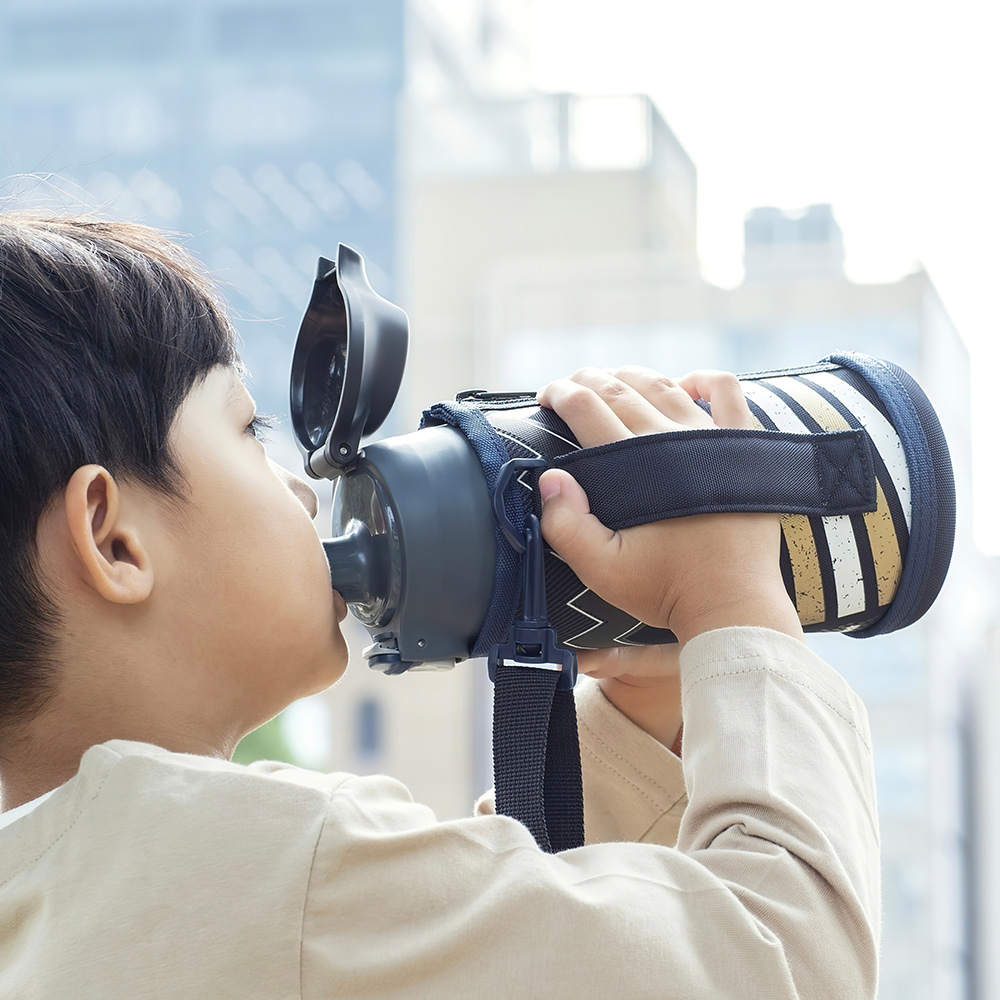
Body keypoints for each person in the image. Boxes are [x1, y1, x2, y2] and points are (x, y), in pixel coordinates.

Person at [0, 214, 879, 999]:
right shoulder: (274, 870)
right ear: (114, 540)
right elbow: (780, 966)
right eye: (248, 431)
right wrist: (734, 602)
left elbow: (510, 942)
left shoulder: (72, 895)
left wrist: (633, 721)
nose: (307, 492)